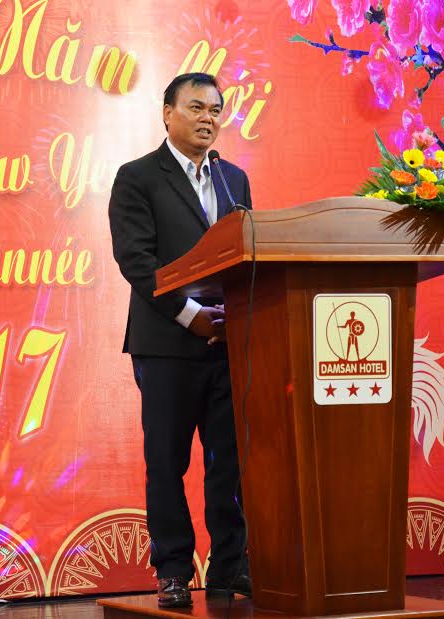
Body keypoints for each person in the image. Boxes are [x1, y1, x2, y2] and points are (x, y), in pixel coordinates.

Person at [108, 72, 252, 608]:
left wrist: (235, 314)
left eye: (215, 109)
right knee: (167, 462)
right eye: (196, 107)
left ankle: (231, 567)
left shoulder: (234, 179)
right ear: (167, 113)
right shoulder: (138, 177)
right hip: (167, 344)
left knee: (230, 463)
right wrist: (190, 315)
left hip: (227, 344)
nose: (207, 118)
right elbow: (136, 259)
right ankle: (172, 570)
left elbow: (245, 251)